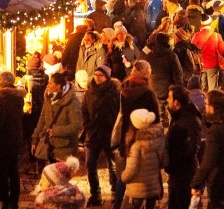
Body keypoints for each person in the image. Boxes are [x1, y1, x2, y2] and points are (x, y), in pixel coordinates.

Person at [191, 90, 224, 209]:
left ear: (213, 107)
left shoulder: (216, 131)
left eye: (206, 104)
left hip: (220, 185)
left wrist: (196, 184)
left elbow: (208, 163)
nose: (205, 107)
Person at [79, 66, 117, 208]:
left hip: (109, 134)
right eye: (95, 74)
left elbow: (118, 112)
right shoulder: (89, 92)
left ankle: (114, 192)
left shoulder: (114, 92)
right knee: (90, 164)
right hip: (93, 133)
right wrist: (88, 126)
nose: (97, 77)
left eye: (100, 75)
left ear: (107, 77)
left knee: (112, 165)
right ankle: (95, 194)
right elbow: (84, 111)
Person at [0, 73, 24, 209]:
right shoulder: (18, 98)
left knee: (2, 172)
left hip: (2, 142)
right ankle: (14, 200)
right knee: (13, 170)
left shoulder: (3, 99)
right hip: (15, 139)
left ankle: (5, 201)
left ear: (1, 83)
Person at [31, 73, 81, 164]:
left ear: (58, 86)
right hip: (50, 146)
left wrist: (56, 131)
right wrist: (35, 138)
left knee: (61, 176)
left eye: (50, 83)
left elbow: (77, 126)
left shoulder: (72, 102)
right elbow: (42, 120)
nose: (47, 86)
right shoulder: (49, 98)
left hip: (65, 148)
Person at [120, 109, 165, 209]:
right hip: (153, 188)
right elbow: (164, 162)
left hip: (137, 190)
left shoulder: (136, 146)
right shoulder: (158, 139)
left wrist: (122, 176)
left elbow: (131, 171)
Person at [166, 86, 201, 209]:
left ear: (176, 102)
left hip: (184, 174)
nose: (167, 100)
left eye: (169, 98)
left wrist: (173, 162)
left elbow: (190, 149)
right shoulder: (178, 117)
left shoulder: (189, 120)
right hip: (176, 172)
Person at [192, 19, 224, 92]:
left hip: (200, 64)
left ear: (201, 26)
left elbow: (192, 49)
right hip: (212, 64)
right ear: (211, 25)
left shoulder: (196, 35)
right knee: (212, 87)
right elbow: (223, 50)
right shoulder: (217, 36)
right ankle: (211, 101)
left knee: (201, 86)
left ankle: (201, 100)